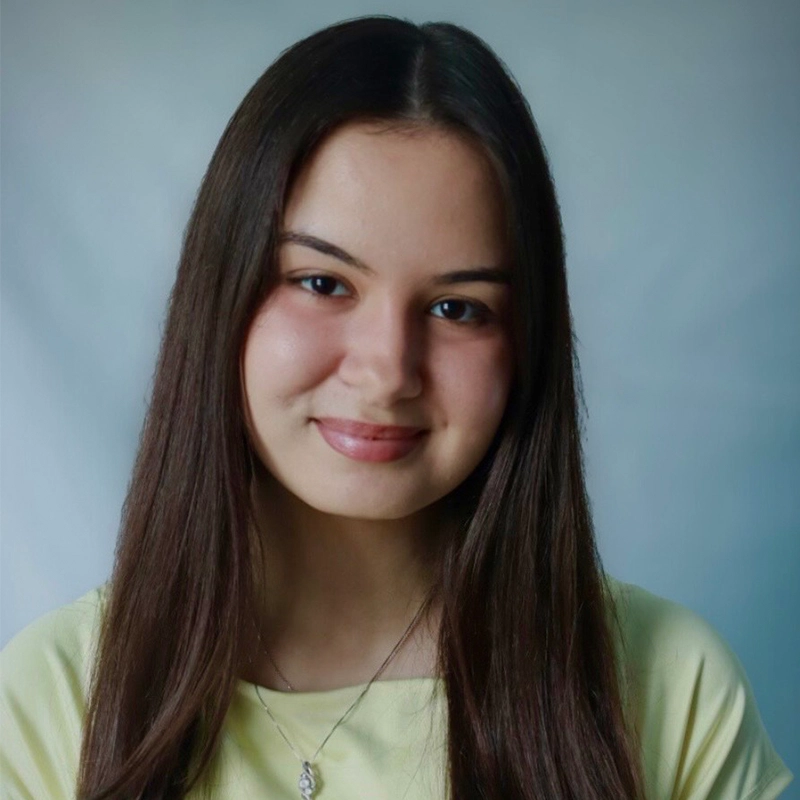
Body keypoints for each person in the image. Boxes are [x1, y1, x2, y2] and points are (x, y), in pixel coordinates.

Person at [0, 15, 793, 800]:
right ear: (222, 297)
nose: (386, 372)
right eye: (322, 283)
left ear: (526, 344)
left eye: (458, 308)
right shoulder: (50, 702)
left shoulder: (672, 690)